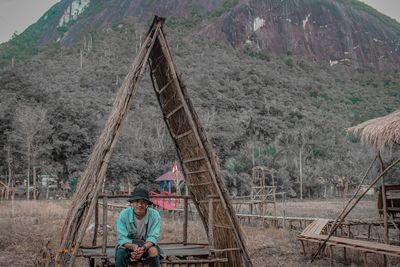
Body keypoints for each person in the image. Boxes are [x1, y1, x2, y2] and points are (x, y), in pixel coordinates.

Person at [115, 187, 164, 267]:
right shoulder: (124, 214)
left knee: (153, 251)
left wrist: (143, 248)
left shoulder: (154, 215)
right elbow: (121, 237)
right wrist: (133, 247)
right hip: (129, 244)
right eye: (137, 201)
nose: (140, 205)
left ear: (147, 204)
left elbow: (153, 236)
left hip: (146, 244)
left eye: (143, 202)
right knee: (120, 252)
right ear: (132, 203)